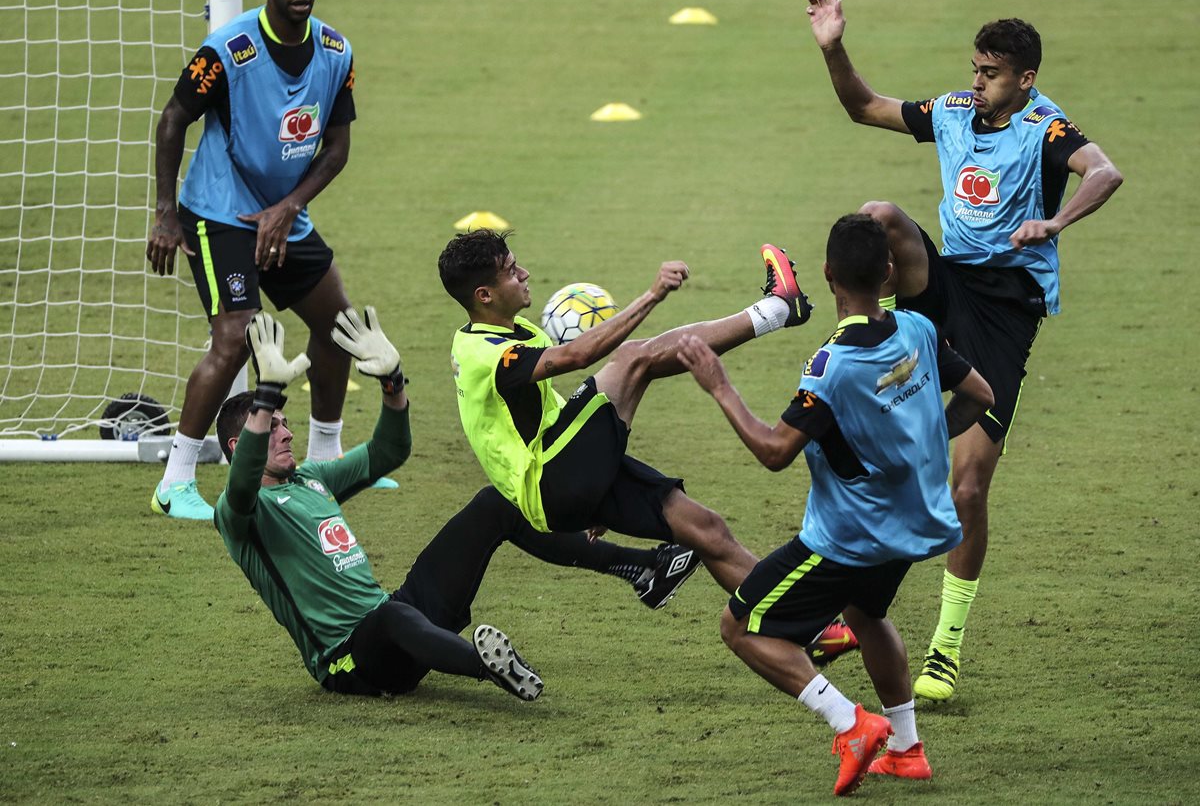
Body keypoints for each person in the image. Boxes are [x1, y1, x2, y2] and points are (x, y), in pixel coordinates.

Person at [806, 0, 1123, 699]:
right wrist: (833, 48)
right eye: (975, 68)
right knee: (879, 217)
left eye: (991, 73)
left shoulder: (1048, 131)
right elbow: (864, 106)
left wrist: (1056, 223)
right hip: (947, 283)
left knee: (968, 486)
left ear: (1025, 80)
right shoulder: (952, 113)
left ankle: (945, 647)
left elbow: (1106, 172)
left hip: (1007, 309)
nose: (976, 82)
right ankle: (871, 343)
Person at [216, 308, 688, 699]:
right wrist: (265, 396)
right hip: (349, 661)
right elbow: (240, 487)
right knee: (394, 617)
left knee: (495, 504)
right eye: (274, 425)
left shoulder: (309, 479)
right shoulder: (238, 513)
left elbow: (387, 453)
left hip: (397, 618)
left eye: (282, 422)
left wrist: (393, 384)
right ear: (240, 446)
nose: (288, 431)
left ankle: (644, 570)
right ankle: (488, 666)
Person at [677, 214, 994, 795]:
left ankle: (850, 723)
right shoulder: (918, 328)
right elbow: (980, 395)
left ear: (827, 275)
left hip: (850, 537)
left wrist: (720, 386)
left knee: (741, 626)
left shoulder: (832, 368)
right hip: (915, 521)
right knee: (865, 615)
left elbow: (775, 452)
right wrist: (924, 440)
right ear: (890, 273)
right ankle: (906, 746)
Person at [437, 229, 858, 660]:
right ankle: (776, 309)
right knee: (634, 358)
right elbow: (576, 357)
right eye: (512, 271)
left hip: (564, 468)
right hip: (552, 478)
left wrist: (595, 474)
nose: (524, 273)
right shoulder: (486, 356)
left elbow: (542, 414)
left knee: (706, 529)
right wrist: (653, 294)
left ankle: (815, 630)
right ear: (485, 295)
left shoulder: (504, 332)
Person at [146, 0, 374, 521]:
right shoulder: (227, 51)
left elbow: (338, 150)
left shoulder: (336, 53)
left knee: (340, 325)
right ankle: (175, 481)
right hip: (219, 210)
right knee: (234, 335)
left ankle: (324, 457)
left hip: (281, 212)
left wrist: (288, 206)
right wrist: (165, 213)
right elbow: (174, 118)